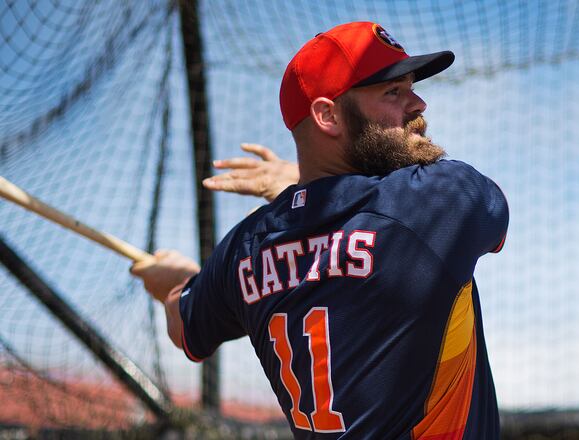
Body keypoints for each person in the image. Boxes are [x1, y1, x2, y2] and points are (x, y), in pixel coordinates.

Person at [131, 21, 508, 439]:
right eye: (393, 92)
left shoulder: (244, 249)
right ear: (327, 115)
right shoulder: (436, 201)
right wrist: (294, 182)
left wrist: (180, 282)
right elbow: (484, 219)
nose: (418, 104)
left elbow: (182, 325)